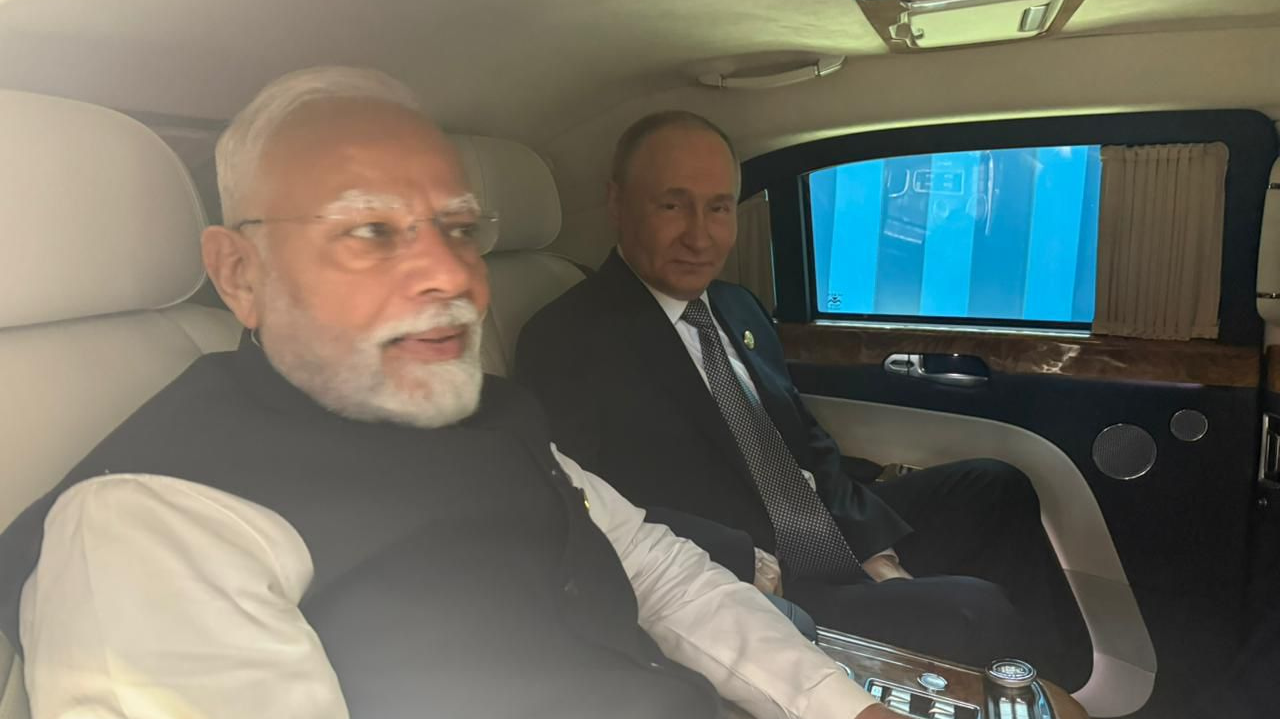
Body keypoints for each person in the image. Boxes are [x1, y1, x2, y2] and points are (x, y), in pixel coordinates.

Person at [0, 68, 900, 719]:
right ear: (239, 274)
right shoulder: (148, 525)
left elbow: (658, 572)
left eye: (461, 228)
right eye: (369, 231)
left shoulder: (486, 412)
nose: (456, 277)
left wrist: (843, 706)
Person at [516, 110, 1092, 688]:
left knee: (995, 486)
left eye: (718, 208)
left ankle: (1057, 683)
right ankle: (1027, 692)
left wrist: (874, 549)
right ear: (617, 204)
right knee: (974, 610)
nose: (700, 236)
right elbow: (586, 506)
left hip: (820, 525)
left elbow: (805, 443)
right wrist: (744, 560)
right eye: (672, 205)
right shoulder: (566, 338)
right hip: (756, 577)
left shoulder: (736, 306)